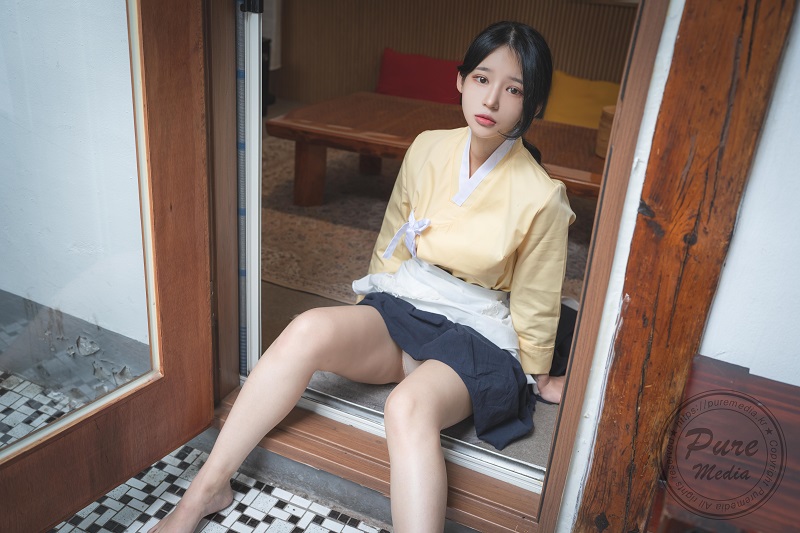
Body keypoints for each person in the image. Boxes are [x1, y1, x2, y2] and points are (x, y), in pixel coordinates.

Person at [150, 20, 574, 533]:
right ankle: (205, 490)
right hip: (408, 302)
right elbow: (393, 237)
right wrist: (368, 319)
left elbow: (536, 296)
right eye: (483, 79)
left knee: (407, 406)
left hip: (476, 332)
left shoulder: (542, 195)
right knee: (308, 327)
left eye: (514, 90)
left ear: (533, 106)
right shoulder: (428, 146)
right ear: (460, 80)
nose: (492, 99)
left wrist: (540, 375)